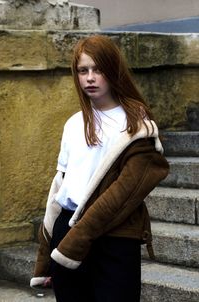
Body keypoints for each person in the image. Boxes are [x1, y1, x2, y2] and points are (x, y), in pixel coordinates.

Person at [30, 35, 169, 302]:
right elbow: (60, 187)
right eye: (83, 70)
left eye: (98, 69)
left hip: (114, 235)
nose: (90, 78)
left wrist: (73, 244)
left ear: (113, 70)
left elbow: (126, 190)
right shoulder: (73, 124)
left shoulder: (137, 124)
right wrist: (47, 256)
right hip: (67, 229)